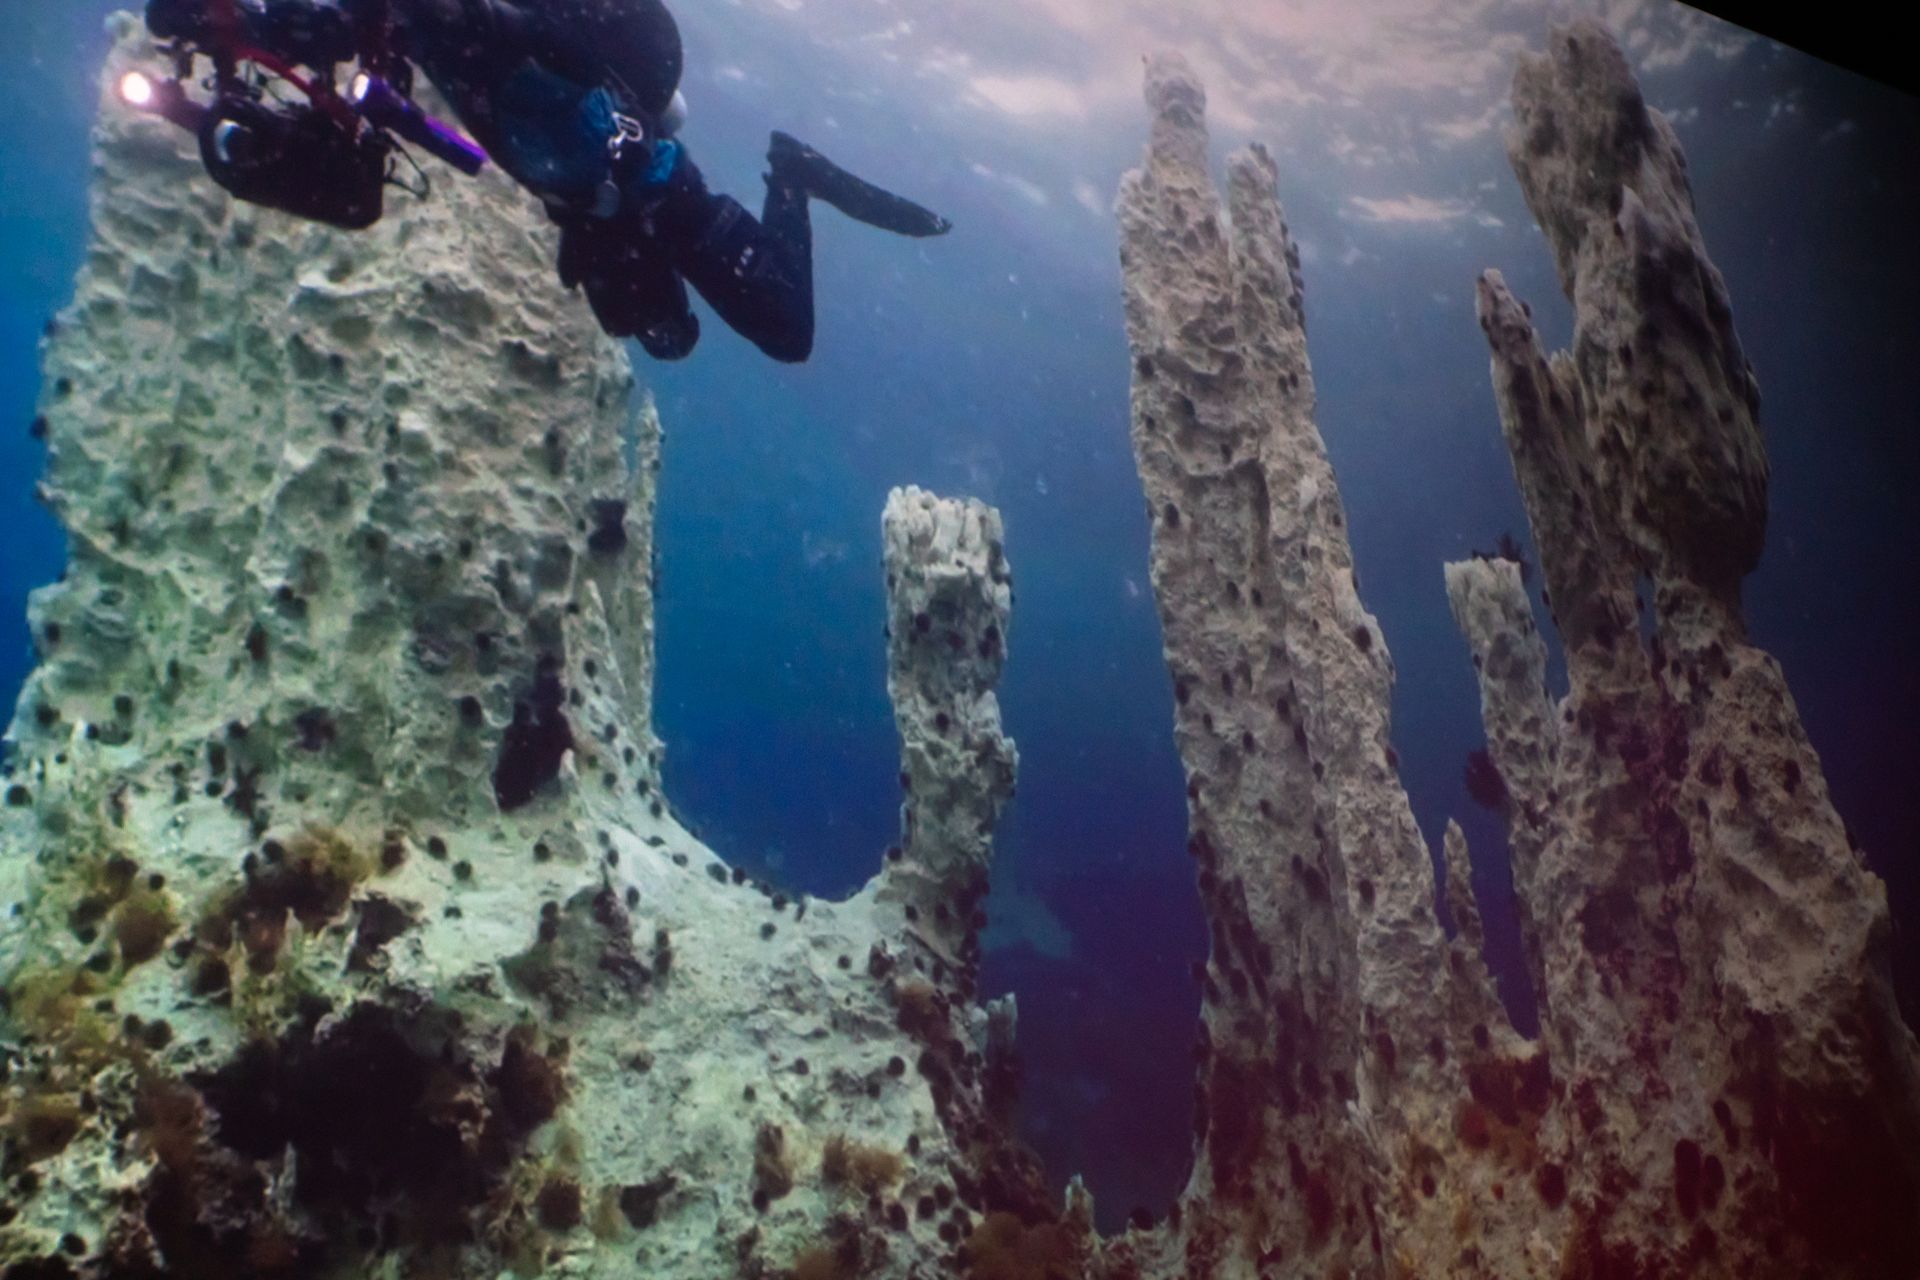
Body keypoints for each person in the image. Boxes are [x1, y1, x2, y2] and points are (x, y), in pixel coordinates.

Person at [141, 0, 952, 362]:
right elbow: (325, 30)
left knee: (785, 333)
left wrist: (491, 22)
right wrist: (227, 23)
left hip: (659, 195)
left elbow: (574, 50)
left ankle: (794, 173)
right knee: (666, 336)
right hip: (590, 212)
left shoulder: (498, 17)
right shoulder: (406, 18)